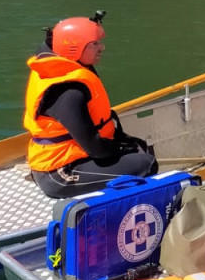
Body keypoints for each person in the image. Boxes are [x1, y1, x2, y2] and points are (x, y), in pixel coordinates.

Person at [24, 14, 158, 200]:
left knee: (140, 147)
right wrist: (119, 148)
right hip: (58, 174)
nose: (101, 47)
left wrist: (124, 145)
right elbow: (95, 148)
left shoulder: (67, 69)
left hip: (70, 158)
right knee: (146, 163)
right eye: (94, 44)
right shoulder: (67, 92)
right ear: (74, 48)